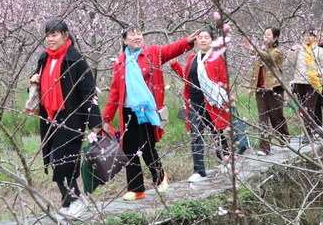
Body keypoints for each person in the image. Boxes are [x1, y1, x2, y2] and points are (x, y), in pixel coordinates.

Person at [103, 27, 197, 201]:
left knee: (146, 146)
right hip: (127, 110)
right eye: (133, 34)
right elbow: (115, 90)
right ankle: (136, 189)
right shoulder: (119, 62)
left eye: (139, 33)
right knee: (129, 150)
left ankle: (160, 177)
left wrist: (187, 42)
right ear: (124, 40)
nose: (137, 37)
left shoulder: (151, 53)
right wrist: (107, 116)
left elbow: (169, 51)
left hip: (146, 110)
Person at [30, 19, 102, 218]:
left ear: (65, 35)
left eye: (54, 34)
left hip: (70, 118)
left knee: (65, 160)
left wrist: (95, 122)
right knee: (53, 159)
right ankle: (68, 200)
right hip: (49, 117)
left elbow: (89, 91)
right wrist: (34, 78)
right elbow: (41, 78)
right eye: (47, 35)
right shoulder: (44, 57)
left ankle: (76, 198)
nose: (50, 39)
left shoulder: (76, 60)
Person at [171, 27, 233, 182]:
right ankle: (199, 171)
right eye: (200, 37)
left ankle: (226, 159)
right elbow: (187, 77)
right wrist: (175, 65)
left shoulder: (218, 58)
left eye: (206, 37)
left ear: (212, 40)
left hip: (211, 101)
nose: (203, 40)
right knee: (196, 134)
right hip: (194, 100)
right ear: (196, 40)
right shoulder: (192, 58)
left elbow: (224, 81)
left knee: (216, 132)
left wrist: (224, 98)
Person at [245, 27, 290, 155]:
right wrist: (251, 87)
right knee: (262, 118)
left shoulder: (278, 52)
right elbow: (255, 71)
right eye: (264, 34)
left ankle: (284, 138)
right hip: (260, 89)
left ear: (276, 37)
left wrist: (254, 49)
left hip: (274, 88)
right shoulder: (261, 51)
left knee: (276, 116)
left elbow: (269, 59)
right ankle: (264, 147)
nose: (266, 37)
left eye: (269, 34)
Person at [286, 28, 323, 143]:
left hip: (313, 82)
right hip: (299, 82)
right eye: (305, 35)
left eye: (310, 35)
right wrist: (292, 51)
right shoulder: (299, 50)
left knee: (309, 108)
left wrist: (318, 73)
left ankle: (307, 134)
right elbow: (290, 63)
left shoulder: (319, 51)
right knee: (302, 108)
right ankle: (314, 128)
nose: (307, 38)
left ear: (315, 38)